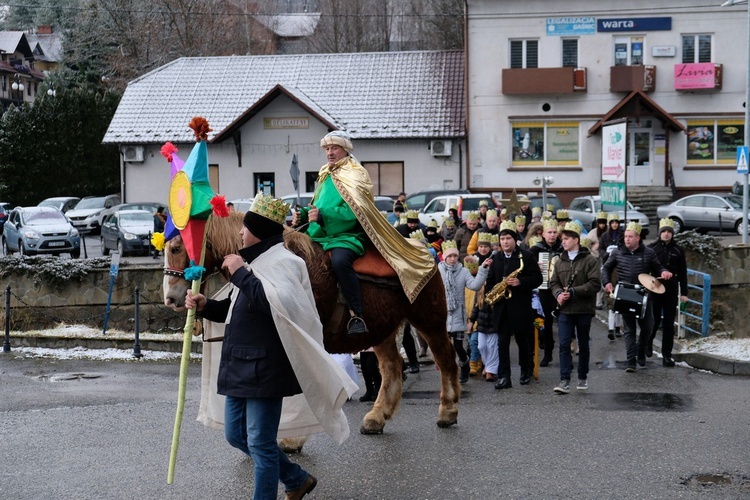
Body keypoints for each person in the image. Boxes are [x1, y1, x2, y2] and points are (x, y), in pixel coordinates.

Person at [185, 193, 357, 500]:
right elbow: (236, 309)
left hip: (266, 368)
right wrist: (205, 306)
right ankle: (296, 479)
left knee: (261, 443)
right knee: (235, 434)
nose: (239, 232)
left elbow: (276, 306)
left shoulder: (284, 262)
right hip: (239, 363)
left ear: (259, 231)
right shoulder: (255, 261)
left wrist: (239, 274)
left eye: (246, 227)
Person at [294, 131, 435, 334]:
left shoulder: (355, 173)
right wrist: (306, 214)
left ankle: (356, 314)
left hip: (347, 235)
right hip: (321, 233)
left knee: (340, 262)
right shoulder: (326, 173)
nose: (329, 153)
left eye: (334, 148)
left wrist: (323, 216)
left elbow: (357, 212)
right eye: (327, 149)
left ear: (345, 149)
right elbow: (318, 205)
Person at [602, 221, 672, 372]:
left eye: (630, 236)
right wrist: (607, 282)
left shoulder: (648, 253)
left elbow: (658, 267)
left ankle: (641, 349)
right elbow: (606, 268)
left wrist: (664, 272)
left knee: (648, 326)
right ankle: (630, 361)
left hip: (644, 294)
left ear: (638, 238)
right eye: (625, 236)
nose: (626, 239)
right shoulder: (617, 252)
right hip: (626, 293)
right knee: (629, 330)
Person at [485, 219, 543, 389]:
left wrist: (520, 282)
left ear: (514, 240)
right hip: (501, 308)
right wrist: (492, 292)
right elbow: (490, 281)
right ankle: (505, 377)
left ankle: (525, 372)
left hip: (520, 306)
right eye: (502, 239)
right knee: (502, 343)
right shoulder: (497, 258)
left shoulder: (526, 256)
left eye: (508, 239)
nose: (505, 242)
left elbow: (538, 279)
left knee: (522, 341)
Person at [549, 221, 602, 393]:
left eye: (566, 238)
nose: (562, 241)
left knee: (583, 344)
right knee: (564, 344)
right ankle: (564, 380)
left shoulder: (590, 261)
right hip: (564, 310)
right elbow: (554, 282)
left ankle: (582, 376)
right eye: (562, 239)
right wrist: (558, 294)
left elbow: (595, 284)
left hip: (583, 309)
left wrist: (573, 291)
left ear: (576, 240)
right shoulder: (559, 261)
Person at [438, 240, 491, 384]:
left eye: (455, 256)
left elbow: (475, 285)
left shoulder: (463, 271)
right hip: (443, 312)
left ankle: (464, 363)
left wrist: (483, 269)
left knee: (458, 347)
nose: (453, 259)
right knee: (445, 346)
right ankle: (449, 372)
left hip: (458, 313)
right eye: (450, 256)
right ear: (445, 258)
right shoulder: (438, 270)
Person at [647, 218, 688, 367]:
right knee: (654, 320)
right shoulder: (651, 248)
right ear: (659, 233)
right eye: (663, 231)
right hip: (654, 288)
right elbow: (645, 269)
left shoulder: (678, 250)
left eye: (668, 232)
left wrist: (684, 292)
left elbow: (682, 273)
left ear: (672, 234)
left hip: (671, 289)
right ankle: (648, 342)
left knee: (669, 324)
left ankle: (667, 355)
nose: (666, 234)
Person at [530, 219, 562, 367]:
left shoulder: (562, 248)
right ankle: (547, 352)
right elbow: (526, 266)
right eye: (549, 232)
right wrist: (535, 267)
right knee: (545, 321)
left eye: (555, 232)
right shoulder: (536, 250)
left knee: (563, 322)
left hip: (560, 289)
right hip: (543, 289)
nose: (552, 235)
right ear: (543, 234)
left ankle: (564, 353)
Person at [600, 213, 625, 340]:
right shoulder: (605, 236)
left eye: (616, 222)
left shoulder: (622, 235)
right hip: (609, 268)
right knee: (610, 299)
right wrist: (606, 254)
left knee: (619, 300)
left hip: (620, 269)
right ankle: (611, 328)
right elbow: (601, 250)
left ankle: (618, 327)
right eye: (612, 222)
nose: (614, 225)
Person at [586, 211, 609, 310]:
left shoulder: (608, 232)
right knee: (597, 279)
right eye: (600, 223)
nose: (602, 225)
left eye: (604, 223)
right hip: (595, 258)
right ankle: (598, 301)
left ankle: (604, 299)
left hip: (606, 258)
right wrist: (593, 248)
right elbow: (586, 244)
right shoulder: (593, 233)